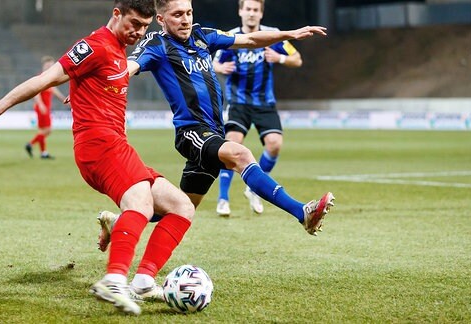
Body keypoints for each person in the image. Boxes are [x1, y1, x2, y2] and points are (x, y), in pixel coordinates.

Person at [0, 0, 195, 316]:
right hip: (99, 146)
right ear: (116, 14)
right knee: (141, 204)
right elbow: (45, 79)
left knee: (181, 206)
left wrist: (83, 92)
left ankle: (143, 281)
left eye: (145, 27)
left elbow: (97, 83)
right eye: (133, 23)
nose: (138, 32)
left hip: (114, 144)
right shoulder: (96, 45)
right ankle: (114, 279)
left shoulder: (118, 49)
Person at [96, 0, 335, 255]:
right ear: (161, 19)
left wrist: (288, 34)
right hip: (192, 133)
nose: (186, 19)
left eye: (188, 12)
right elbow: (126, 69)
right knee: (241, 154)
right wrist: (92, 89)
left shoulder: (203, 36)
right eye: (177, 15)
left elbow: (251, 40)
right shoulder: (156, 45)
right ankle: (302, 212)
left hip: (213, 133)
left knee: (179, 208)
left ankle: (117, 223)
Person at [213, 0, 304, 216]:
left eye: (256, 10)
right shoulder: (231, 36)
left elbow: (297, 59)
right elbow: (213, 62)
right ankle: (223, 198)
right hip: (238, 102)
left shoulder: (273, 35)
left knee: (274, 145)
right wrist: (221, 67)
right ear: (240, 11)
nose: (251, 14)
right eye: (248, 9)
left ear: (261, 14)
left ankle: (254, 187)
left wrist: (279, 57)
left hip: (265, 103)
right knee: (232, 145)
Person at [25, 56, 67, 160]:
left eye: (51, 65)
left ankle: (43, 153)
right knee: (48, 130)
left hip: (45, 107)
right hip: (42, 108)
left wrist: (62, 98)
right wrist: (40, 104)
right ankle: (30, 144)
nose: (50, 67)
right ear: (44, 66)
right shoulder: (41, 77)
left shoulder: (49, 77)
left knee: (43, 130)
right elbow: (36, 92)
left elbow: (53, 90)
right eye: (48, 65)